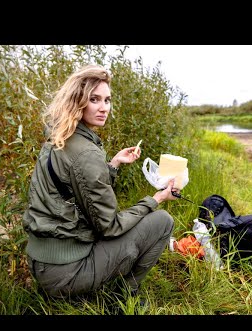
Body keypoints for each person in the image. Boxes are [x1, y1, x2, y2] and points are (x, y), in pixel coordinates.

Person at [22, 64, 179, 300]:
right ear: (78, 101)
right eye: (95, 99)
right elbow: (109, 227)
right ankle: (124, 298)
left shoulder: (57, 138)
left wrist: (113, 164)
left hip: (41, 264)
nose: (104, 108)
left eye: (107, 100)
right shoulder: (86, 152)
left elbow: (76, 189)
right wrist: (156, 199)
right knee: (163, 221)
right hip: (67, 274)